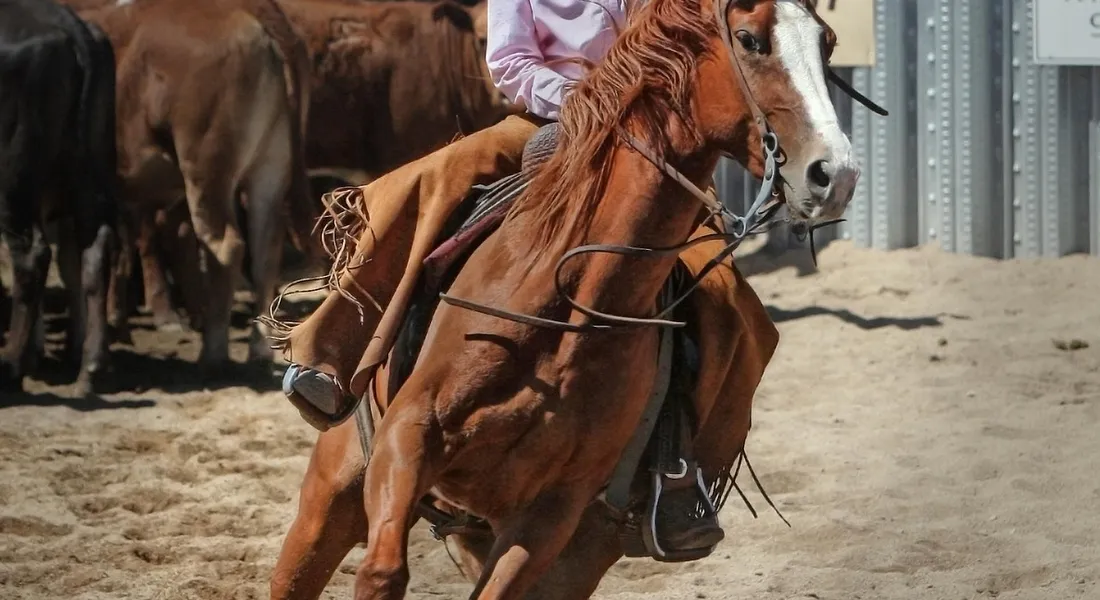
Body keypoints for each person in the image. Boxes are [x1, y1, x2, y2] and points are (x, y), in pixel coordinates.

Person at [279, 0, 727, 554]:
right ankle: (335, 345)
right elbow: (511, 62)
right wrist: (592, 104)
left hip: (646, 143)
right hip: (548, 122)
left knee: (720, 283)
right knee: (435, 178)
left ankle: (675, 467)